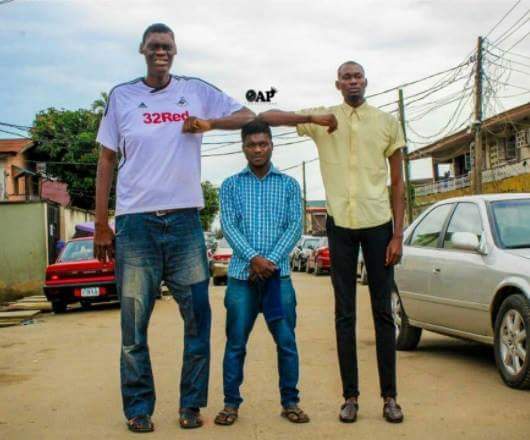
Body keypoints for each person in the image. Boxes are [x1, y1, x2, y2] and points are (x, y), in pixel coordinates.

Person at [94, 23, 254, 433]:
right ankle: (138, 408)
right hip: (135, 225)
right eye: (153, 46)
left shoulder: (195, 90)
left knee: (198, 318)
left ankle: (190, 405)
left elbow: (247, 116)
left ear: (175, 50)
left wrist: (208, 124)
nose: (160, 52)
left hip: (185, 223)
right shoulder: (121, 96)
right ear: (142, 50)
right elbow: (107, 160)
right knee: (133, 325)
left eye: (166, 46)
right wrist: (101, 224)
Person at [259, 61, 406, 423]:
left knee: (383, 313)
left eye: (357, 76)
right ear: (337, 84)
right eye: (346, 77)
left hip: (378, 226)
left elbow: (398, 182)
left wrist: (398, 235)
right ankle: (350, 397)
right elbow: (268, 116)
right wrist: (315, 119)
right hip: (340, 226)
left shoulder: (387, 123)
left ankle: (389, 397)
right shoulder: (324, 119)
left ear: (366, 81)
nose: (352, 81)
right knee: (344, 314)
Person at [212, 120, 312, 426]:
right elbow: (229, 226)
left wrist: (268, 262)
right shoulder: (230, 185)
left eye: (263, 144)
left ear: (271, 145)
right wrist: (254, 259)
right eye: (252, 145)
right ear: (243, 148)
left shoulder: (289, 185)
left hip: (278, 280)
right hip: (241, 280)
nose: (258, 149)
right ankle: (230, 404)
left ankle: (291, 402)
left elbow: (294, 227)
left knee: (286, 342)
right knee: (235, 344)